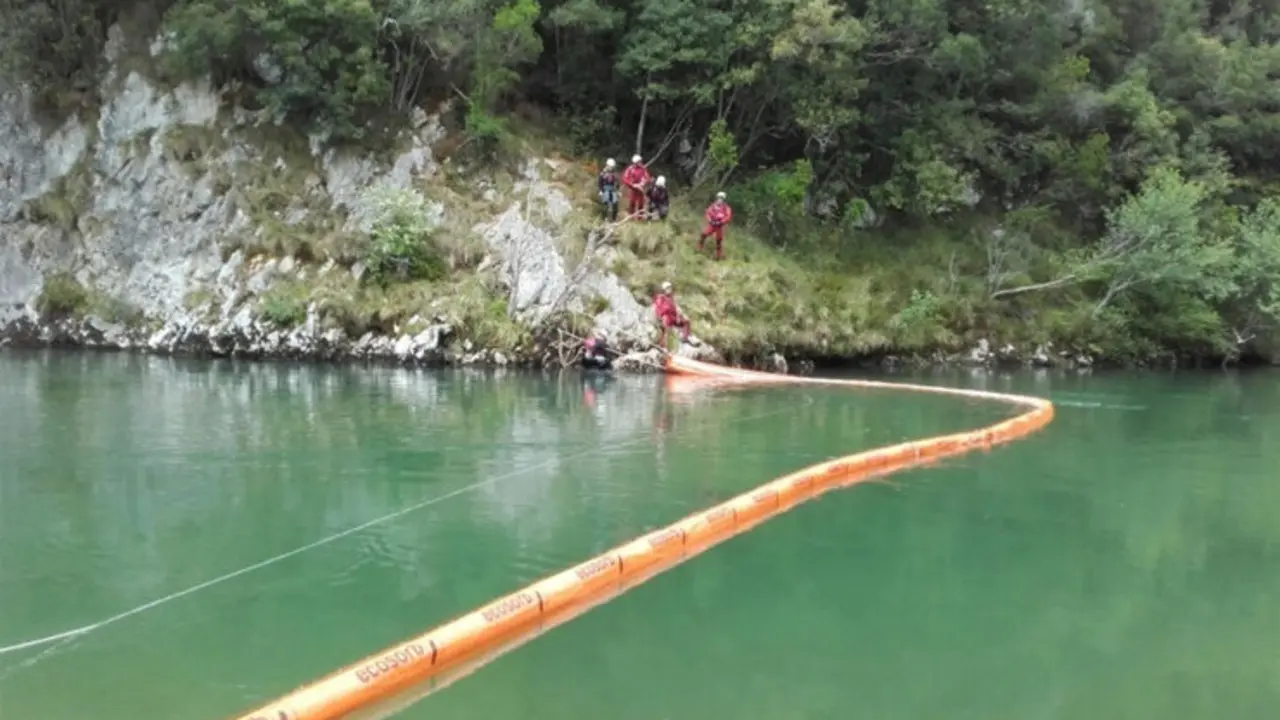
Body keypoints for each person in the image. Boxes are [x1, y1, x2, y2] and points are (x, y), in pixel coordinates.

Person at [652, 280, 691, 349]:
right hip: (665, 317)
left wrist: (679, 315)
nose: (670, 289)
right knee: (666, 325)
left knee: (687, 321)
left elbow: (677, 308)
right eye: (668, 288)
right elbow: (659, 309)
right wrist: (660, 318)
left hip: (673, 317)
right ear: (664, 290)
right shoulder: (661, 297)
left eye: (670, 288)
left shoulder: (671, 298)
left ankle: (685, 338)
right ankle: (663, 345)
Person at [698, 191, 733, 260]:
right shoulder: (713, 206)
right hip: (712, 224)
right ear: (717, 198)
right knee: (703, 235)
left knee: (718, 241)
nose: (719, 200)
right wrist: (710, 220)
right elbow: (707, 213)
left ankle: (718, 256)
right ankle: (699, 248)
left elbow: (728, 217)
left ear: (724, 200)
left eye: (721, 199)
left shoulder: (726, 208)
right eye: (718, 198)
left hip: (719, 226)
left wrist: (721, 222)